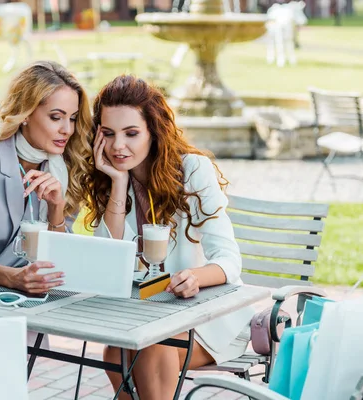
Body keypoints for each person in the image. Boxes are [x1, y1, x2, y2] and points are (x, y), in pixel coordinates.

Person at [84, 75, 252, 399]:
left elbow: (230, 261)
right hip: (145, 316)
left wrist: (194, 277)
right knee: (115, 352)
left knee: (153, 345)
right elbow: (106, 265)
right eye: (108, 134)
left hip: (210, 320)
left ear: (153, 131)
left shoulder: (192, 171)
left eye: (131, 133)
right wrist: (118, 185)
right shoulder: (110, 182)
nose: (119, 146)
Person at [0, 60, 92, 293]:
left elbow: (59, 261)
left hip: (38, 302)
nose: (67, 130)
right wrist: (14, 278)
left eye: (72, 118)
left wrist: (56, 208)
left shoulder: (66, 169)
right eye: (56, 117)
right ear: (26, 113)